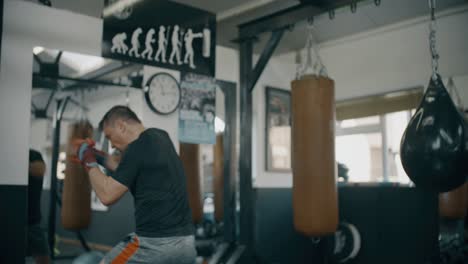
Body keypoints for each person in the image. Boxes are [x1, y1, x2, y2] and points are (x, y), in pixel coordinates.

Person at [76, 105, 196, 264]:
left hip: (154, 246)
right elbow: (123, 168)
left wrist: (87, 158)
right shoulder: (160, 137)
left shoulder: (137, 146)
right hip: (186, 246)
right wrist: (97, 156)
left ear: (121, 126)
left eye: (110, 136)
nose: (111, 145)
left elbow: (106, 195)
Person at [27, 149, 50, 264]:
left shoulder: (33, 154)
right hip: (10, 219)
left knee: (43, 258)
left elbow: (40, 170)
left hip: (32, 220)